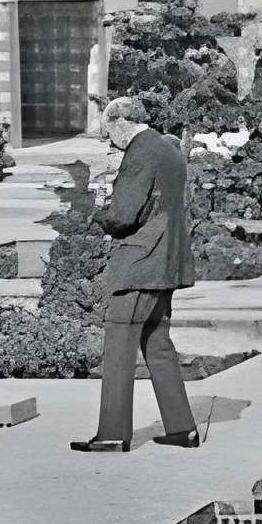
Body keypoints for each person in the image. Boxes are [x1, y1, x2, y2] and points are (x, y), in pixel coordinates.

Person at [73, 92, 205, 454]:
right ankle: (183, 429)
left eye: (108, 132)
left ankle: (113, 434)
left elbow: (124, 215)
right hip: (168, 260)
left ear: (120, 122)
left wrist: (98, 213)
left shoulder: (140, 151)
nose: (110, 140)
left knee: (118, 342)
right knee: (158, 344)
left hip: (140, 262)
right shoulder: (168, 147)